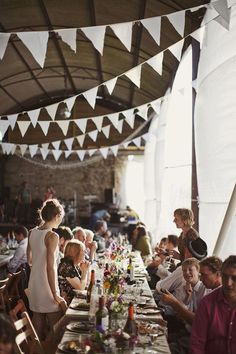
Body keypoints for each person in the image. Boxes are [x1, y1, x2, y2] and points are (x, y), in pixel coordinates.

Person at [27, 199, 66, 340]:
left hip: (34, 283)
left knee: (37, 322)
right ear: (56, 216)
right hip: (47, 286)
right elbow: (50, 268)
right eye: (60, 218)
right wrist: (55, 294)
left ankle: (36, 349)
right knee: (56, 326)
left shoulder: (31, 232)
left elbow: (29, 260)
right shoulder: (52, 236)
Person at [190, 255, 236, 354]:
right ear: (220, 275)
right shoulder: (207, 303)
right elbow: (197, 344)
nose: (228, 283)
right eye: (225, 276)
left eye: (234, 278)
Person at [58, 240, 89, 304]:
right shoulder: (66, 267)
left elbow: (86, 283)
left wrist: (85, 270)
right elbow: (80, 289)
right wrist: (85, 272)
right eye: (83, 251)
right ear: (75, 253)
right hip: (67, 303)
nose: (84, 254)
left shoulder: (75, 265)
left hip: (74, 299)